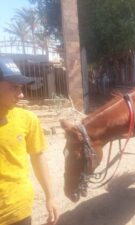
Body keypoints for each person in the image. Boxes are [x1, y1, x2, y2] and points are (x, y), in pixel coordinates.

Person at [0, 57, 59, 225]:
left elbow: (38, 157)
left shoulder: (27, 119)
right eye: (14, 87)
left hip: (17, 211)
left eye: (21, 87)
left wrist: (50, 197)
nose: (21, 94)